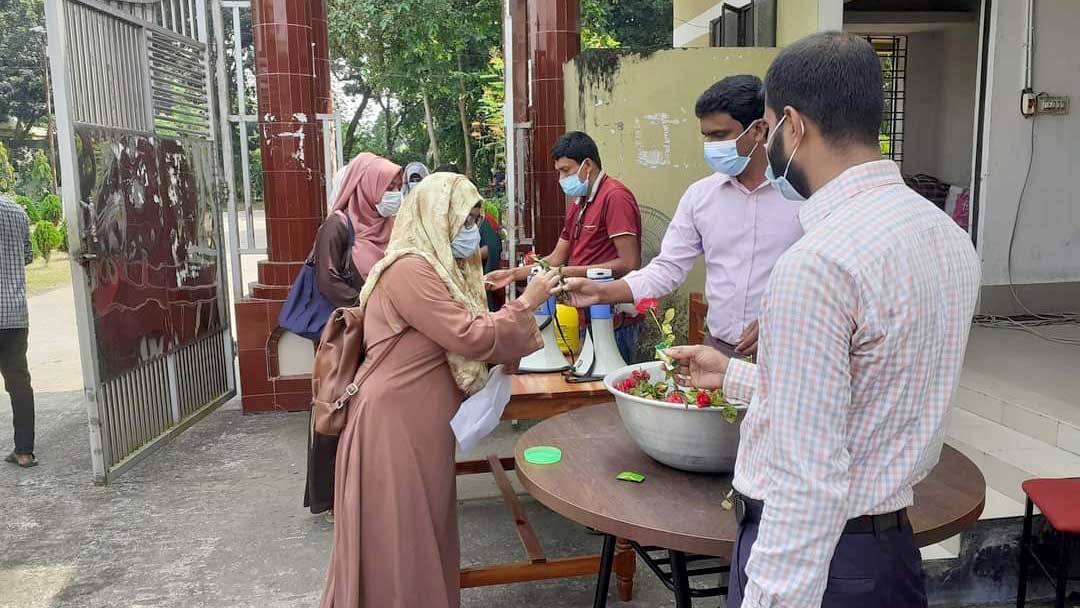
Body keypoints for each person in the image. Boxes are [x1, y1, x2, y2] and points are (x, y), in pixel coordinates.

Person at [666, 32, 981, 608]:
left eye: (768, 127)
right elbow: (858, 397)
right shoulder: (947, 237)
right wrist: (732, 374)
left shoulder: (817, 262)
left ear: (793, 125)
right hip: (888, 554)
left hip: (823, 566)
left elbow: (806, 476)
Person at [319, 173, 559, 608]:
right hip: (392, 426)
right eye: (463, 222)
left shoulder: (436, 269)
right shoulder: (409, 268)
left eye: (473, 222)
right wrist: (525, 304)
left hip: (417, 425)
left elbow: (463, 323)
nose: (471, 233)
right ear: (435, 217)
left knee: (421, 528)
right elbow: (467, 334)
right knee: (400, 534)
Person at [559, 75, 803, 357]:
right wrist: (601, 292)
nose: (710, 145)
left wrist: (784, 317)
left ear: (758, 130)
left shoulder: (800, 194)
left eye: (720, 135)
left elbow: (827, 276)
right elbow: (667, 269)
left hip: (786, 352)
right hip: (719, 351)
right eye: (706, 136)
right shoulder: (701, 197)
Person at [485, 131, 643, 362]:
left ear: (587, 165)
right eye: (558, 171)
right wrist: (512, 274)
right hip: (582, 312)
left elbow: (629, 263)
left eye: (566, 170)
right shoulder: (577, 205)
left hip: (615, 318)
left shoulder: (615, 197)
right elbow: (557, 258)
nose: (561, 178)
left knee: (607, 388)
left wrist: (565, 273)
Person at [305, 152, 403, 518]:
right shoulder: (337, 224)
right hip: (345, 333)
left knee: (371, 413)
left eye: (396, 185)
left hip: (377, 335)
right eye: (387, 185)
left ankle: (368, 490)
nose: (393, 193)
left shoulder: (391, 225)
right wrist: (370, 304)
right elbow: (327, 280)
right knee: (336, 409)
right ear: (366, 185)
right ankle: (331, 498)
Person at [0, 193, 36, 468]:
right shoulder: (17, 210)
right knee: (19, 383)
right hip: (14, 312)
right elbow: (27, 256)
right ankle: (24, 452)